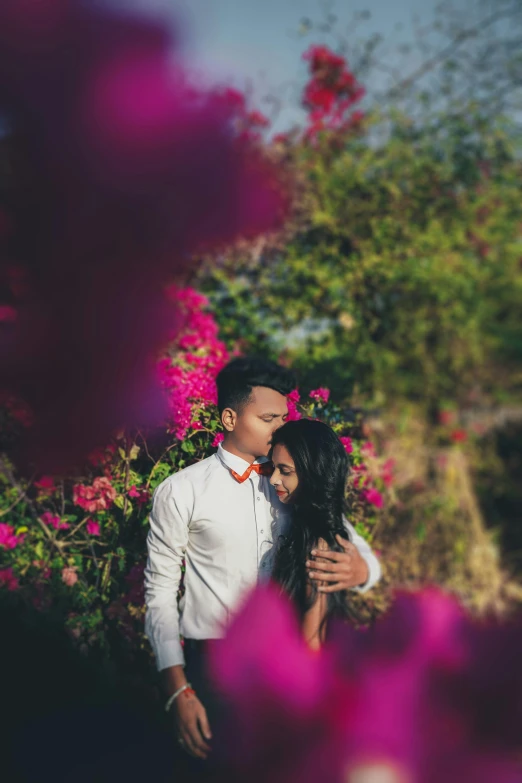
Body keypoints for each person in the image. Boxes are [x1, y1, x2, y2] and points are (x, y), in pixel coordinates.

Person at [144, 357, 381, 764]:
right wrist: (178, 691)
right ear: (230, 417)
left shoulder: (293, 476)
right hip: (214, 669)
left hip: (291, 664)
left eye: (283, 417)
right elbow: (160, 593)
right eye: (268, 417)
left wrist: (361, 570)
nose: (279, 428)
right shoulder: (181, 490)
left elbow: (356, 550)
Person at [269, 418, 368, 649]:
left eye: (284, 471)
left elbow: (312, 641)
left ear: (312, 473)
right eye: (273, 468)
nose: (273, 479)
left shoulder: (319, 544)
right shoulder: (305, 528)